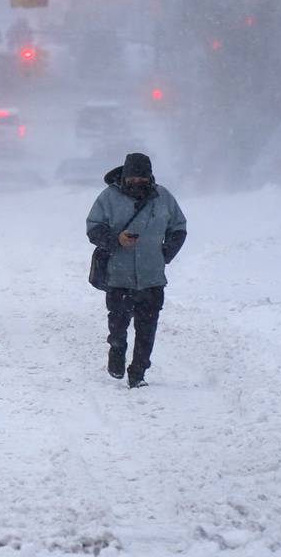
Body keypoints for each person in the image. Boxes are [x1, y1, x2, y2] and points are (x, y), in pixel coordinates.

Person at [85, 151, 188, 388]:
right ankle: (117, 354)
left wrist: (165, 255)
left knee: (147, 329)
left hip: (152, 278)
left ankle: (138, 373)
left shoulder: (163, 197)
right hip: (118, 276)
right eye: (133, 178)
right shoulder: (108, 198)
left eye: (143, 178)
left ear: (150, 176)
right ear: (125, 176)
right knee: (118, 326)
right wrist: (116, 239)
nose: (138, 182)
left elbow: (179, 227)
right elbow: (93, 228)